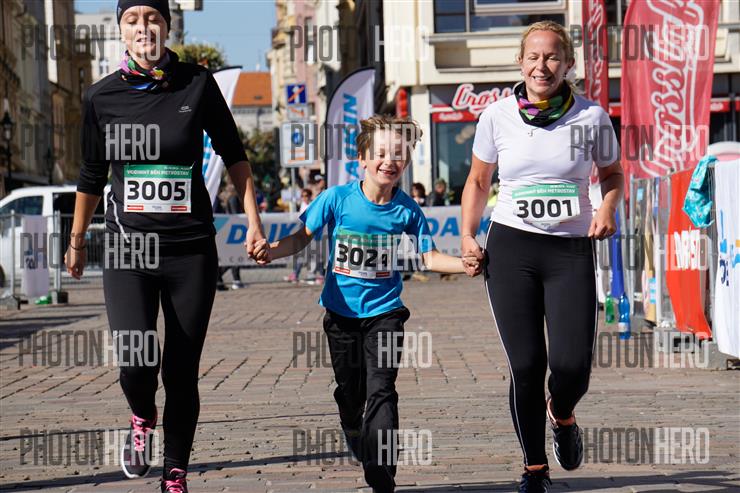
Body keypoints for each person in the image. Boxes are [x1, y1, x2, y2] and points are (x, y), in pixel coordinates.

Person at [64, 1, 269, 491]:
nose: (144, 28)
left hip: (190, 250)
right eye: (132, 20)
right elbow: (91, 175)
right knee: (137, 361)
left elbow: (234, 154)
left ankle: (175, 471)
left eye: (153, 18)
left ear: (167, 25)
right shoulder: (100, 97)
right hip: (128, 249)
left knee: (180, 370)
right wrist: (76, 240)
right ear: (120, 31)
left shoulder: (197, 83)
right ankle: (141, 415)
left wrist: (254, 221)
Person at [254, 115, 469, 493]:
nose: (389, 161)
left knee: (382, 388)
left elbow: (430, 257)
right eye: (381, 153)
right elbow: (301, 238)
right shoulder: (337, 199)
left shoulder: (408, 210)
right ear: (363, 160)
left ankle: (381, 467)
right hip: (341, 316)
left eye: (398, 154)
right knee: (351, 392)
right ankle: (352, 424)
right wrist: (271, 251)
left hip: (386, 313)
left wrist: (467, 265)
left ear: (406, 162)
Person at [460, 21, 623, 493]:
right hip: (512, 247)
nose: (542, 65)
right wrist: (468, 236)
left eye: (552, 57)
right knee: (527, 365)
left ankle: (563, 412)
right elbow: (478, 181)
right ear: (520, 62)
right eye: (533, 56)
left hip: (569, 250)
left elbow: (612, 174)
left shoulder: (592, 117)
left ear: (568, 63)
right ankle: (534, 468)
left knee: (572, 367)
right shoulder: (496, 116)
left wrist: (607, 208)